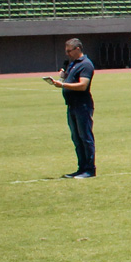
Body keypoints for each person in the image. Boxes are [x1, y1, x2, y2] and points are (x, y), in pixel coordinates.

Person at [46, 38, 96, 178]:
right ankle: (81, 168)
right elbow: (71, 80)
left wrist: (62, 85)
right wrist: (64, 77)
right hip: (72, 105)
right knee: (77, 138)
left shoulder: (86, 64)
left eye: (69, 51)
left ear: (78, 49)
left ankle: (89, 169)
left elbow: (83, 85)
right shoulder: (73, 63)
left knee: (85, 138)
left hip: (83, 106)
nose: (67, 54)